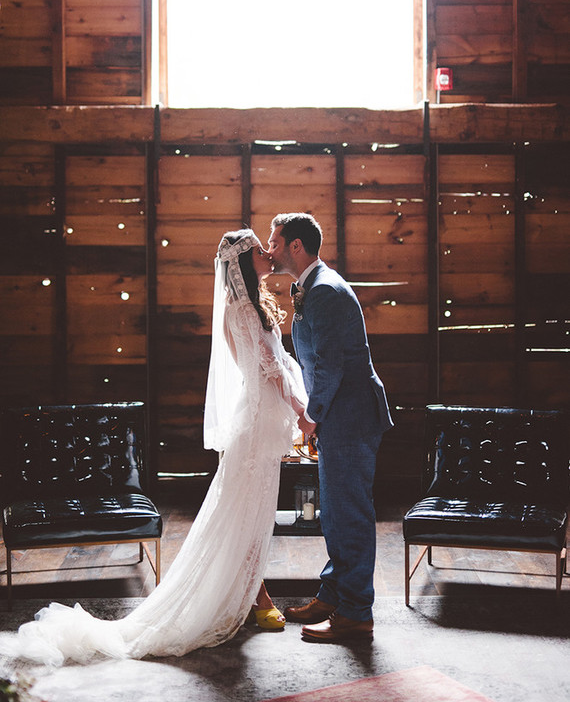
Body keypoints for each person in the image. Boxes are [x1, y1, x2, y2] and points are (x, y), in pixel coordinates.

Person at [0, 229, 308, 666]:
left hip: (260, 424)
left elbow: (278, 364)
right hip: (255, 426)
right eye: (259, 250)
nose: (267, 254)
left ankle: (251, 595)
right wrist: (301, 408)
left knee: (250, 516)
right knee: (242, 516)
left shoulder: (254, 305)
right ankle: (248, 598)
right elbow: (270, 367)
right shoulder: (241, 310)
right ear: (241, 263)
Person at [268, 212, 393, 643]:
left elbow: (330, 365)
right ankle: (333, 594)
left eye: (275, 240)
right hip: (340, 416)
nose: (270, 247)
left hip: (350, 417)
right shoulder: (310, 286)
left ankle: (356, 614)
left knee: (349, 514)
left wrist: (311, 415)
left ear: (296, 246)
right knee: (335, 515)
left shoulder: (324, 291)